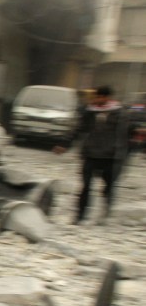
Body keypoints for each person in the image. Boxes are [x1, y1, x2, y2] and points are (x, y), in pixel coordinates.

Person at [54, 85, 129, 224]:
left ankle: (105, 214)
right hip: (91, 155)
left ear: (107, 97)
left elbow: (125, 135)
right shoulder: (89, 112)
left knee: (108, 188)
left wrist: (123, 154)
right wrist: (64, 144)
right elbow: (77, 129)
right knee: (85, 187)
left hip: (111, 157)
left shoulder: (119, 113)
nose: (98, 99)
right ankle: (80, 216)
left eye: (101, 97)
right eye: (97, 96)